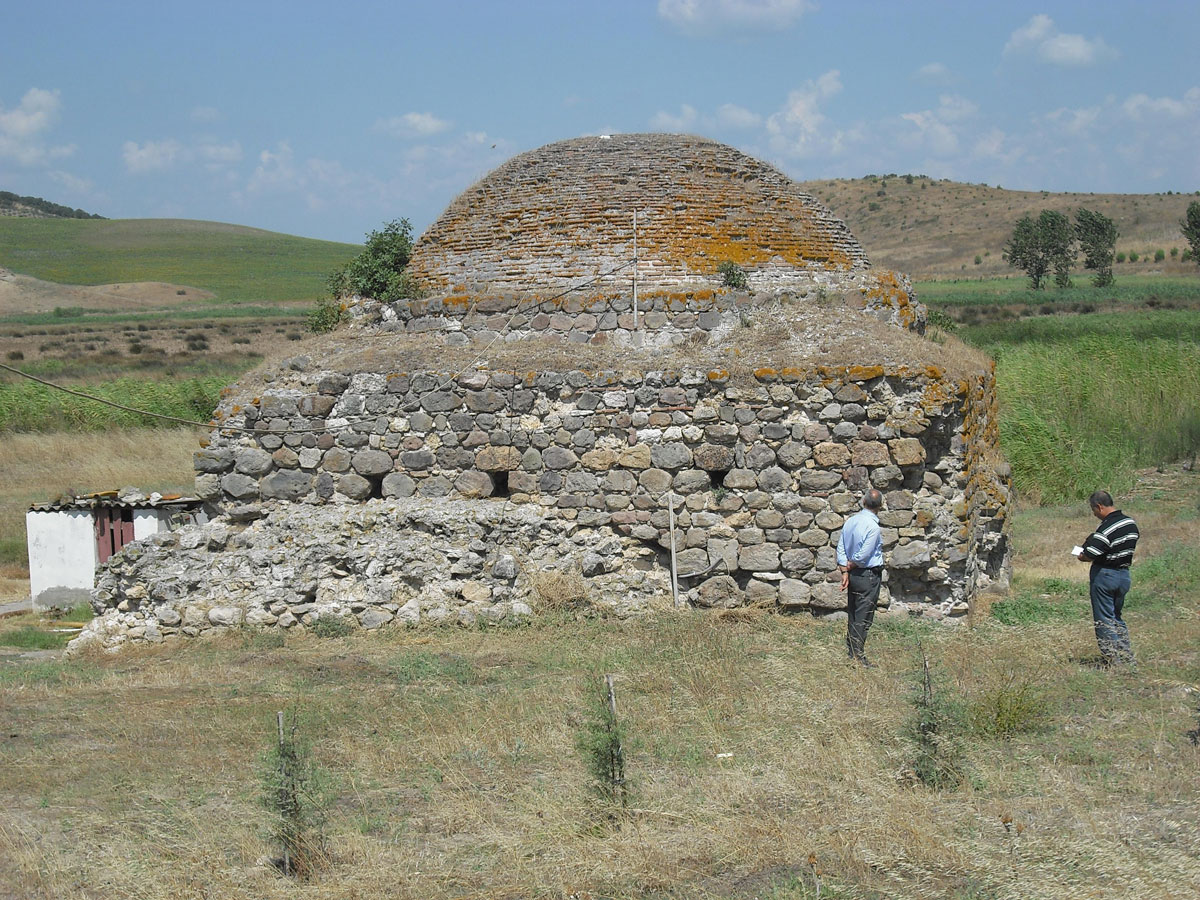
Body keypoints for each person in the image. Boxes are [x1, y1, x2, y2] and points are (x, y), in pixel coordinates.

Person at [1076, 490, 1139, 666]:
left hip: (1105, 575)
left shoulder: (1106, 528)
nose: (1094, 514)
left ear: (1099, 506)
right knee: (1116, 617)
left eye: (1093, 510)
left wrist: (1082, 556)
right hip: (1124, 575)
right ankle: (1126, 657)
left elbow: (1092, 553)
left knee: (1104, 619)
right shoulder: (1130, 523)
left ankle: (1113, 661)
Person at [837, 488, 885, 666]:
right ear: (880, 505)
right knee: (863, 616)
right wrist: (850, 565)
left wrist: (844, 570)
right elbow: (864, 554)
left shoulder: (851, 521)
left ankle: (852, 651)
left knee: (853, 612)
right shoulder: (873, 527)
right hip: (867, 575)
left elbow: (841, 546)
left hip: (854, 575)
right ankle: (858, 656)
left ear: (863, 502)